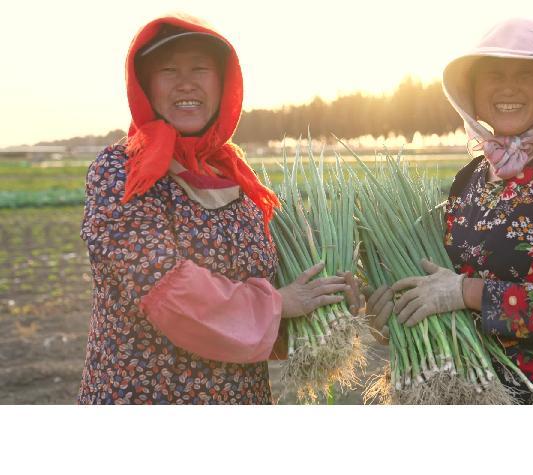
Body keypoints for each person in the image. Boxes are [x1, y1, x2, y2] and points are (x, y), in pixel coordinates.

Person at [80, 15, 355, 404]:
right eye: (168, 70)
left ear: (224, 84)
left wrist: (330, 303)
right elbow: (163, 285)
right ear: (145, 86)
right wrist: (278, 303)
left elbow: (267, 297)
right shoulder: (123, 171)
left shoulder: (234, 176)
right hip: (148, 396)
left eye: (201, 69)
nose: (186, 82)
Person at [367, 19, 533, 405]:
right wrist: (398, 315)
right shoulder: (470, 178)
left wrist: (465, 292)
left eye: (527, 75)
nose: (508, 88)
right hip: (458, 390)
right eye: (493, 75)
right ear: (472, 91)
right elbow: (437, 284)